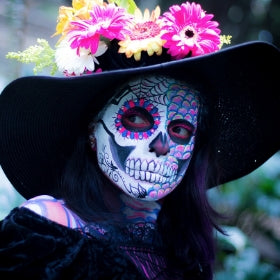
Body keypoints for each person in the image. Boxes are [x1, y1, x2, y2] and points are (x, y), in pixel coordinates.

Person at [0, 0, 279, 279]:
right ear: (92, 130)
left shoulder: (183, 249)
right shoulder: (44, 230)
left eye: (180, 130)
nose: (162, 145)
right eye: (136, 119)